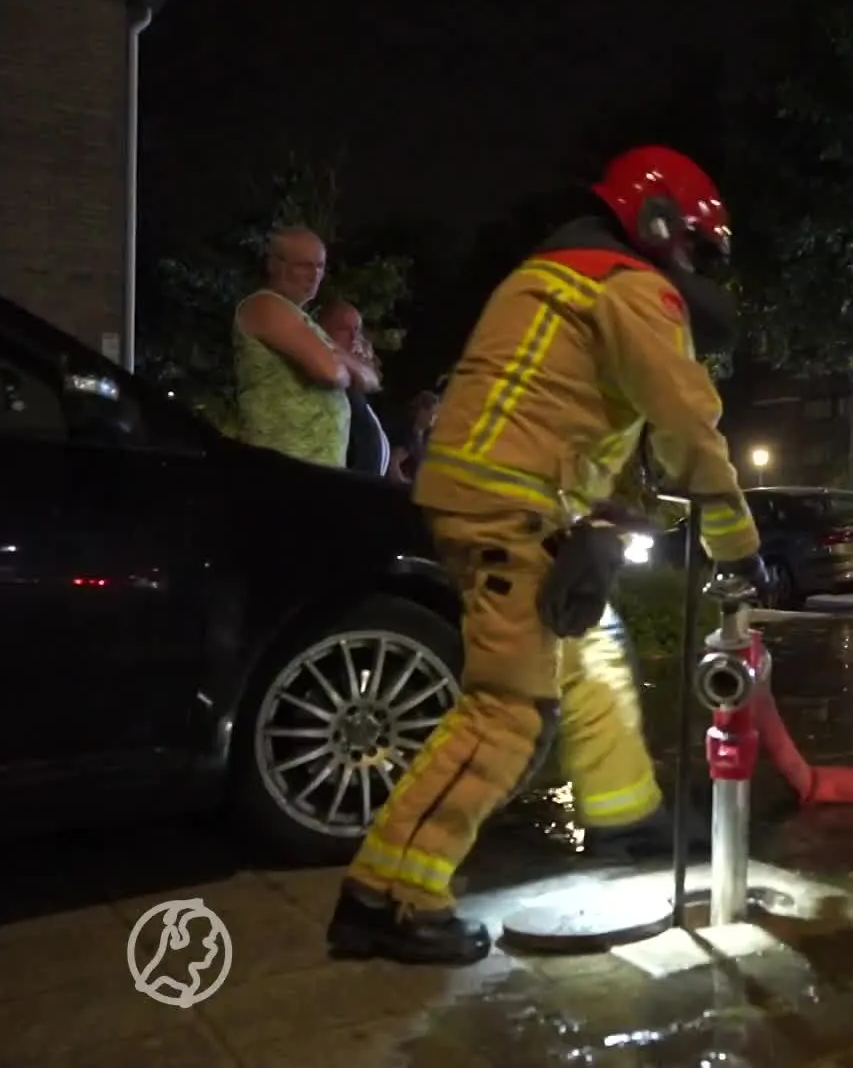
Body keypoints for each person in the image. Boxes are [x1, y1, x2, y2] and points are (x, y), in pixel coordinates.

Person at [325, 146, 765, 966]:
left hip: (502, 496)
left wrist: (601, 528)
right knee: (509, 711)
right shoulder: (631, 288)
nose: (699, 273)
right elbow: (684, 429)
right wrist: (738, 546)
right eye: (699, 252)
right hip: (510, 507)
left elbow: (574, 422)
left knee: (588, 649)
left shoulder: (563, 275)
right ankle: (388, 898)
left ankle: (625, 815)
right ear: (661, 224)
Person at [231, 227, 379, 467]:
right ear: (274, 265)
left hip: (312, 475)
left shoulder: (304, 322)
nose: (314, 275)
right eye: (304, 265)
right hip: (280, 469)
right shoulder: (265, 305)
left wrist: (338, 357)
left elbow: (371, 380)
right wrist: (343, 364)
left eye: (320, 266)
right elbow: (330, 373)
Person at [319, 300, 391, 476]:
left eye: (357, 330)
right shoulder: (326, 389)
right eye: (344, 329)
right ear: (321, 331)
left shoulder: (357, 394)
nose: (354, 338)